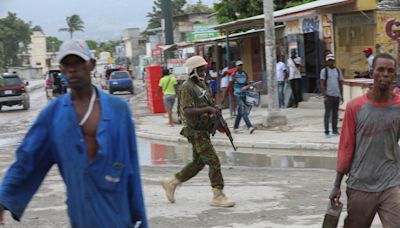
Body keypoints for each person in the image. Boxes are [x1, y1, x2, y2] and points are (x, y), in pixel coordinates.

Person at [0, 40, 148, 227]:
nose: (72, 69)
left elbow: (131, 168)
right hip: (82, 212)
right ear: (61, 69)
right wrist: (3, 198)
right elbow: (28, 158)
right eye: (67, 64)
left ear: (91, 65)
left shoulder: (118, 110)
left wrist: (141, 220)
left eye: (78, 62)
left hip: (117, 213)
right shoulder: (53, 115)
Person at [329, 53, 400, 227]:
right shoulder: (355, 107)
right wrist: (337, 185)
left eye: (390, 71)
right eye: (381, 70)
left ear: (395, 76)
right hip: (360, 185)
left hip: (391, 183)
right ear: (371, 73)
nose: (385, 74)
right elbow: (346, 146)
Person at [161, 55, 235, 208]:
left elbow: (210, 107)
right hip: (195, 132)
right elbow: (187, 110)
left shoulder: (202, 86)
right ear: (193, 70)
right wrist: (208, 109)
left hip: (204, 130)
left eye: (204, 69)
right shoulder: (187, 87)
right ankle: (218, 195)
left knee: (197, 163)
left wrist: (218, 123)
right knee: (214, 161)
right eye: (201, 70)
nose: (204, 72)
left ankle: (172, 183)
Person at [227, 60, 255, 134]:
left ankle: (235, 127)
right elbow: (229, 85)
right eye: (239, 65)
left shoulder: (244, 74)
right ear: (236, 67)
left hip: (244, 94)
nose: (241, 66)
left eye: (241, 65)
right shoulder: (233, 75)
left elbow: (246, 83)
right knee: (243, 112)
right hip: (237, 95)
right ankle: (250, 127)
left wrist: (249, 85)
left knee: (239, 113)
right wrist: (228, 96)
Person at [320, 54, 344, 137]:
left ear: (334, 61)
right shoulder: (324, 71)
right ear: (327, 61)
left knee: (335, 114)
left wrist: (341, 95)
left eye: (332, 60)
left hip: (336, 95)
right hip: (328, 95)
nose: (330, 62)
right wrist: (325, 95)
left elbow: (340, 83)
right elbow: (322, 84)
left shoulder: (338, 70)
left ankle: (335, 130)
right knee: (327, 114)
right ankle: (326, 131)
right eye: (329, 60)